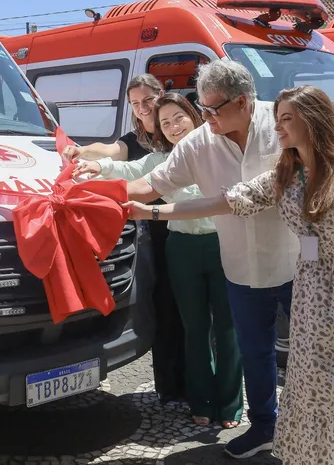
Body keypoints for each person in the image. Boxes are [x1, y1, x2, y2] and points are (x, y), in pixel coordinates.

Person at [126, 85, 334, 464]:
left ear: (313, 120)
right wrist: (150, 212)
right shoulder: (285, 175)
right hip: (314, 292)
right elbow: (224, 202)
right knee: (314, 387)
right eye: (278, 117)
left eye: (287, 118)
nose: (278, 125)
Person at [76, 93, 243, 428]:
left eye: (178, 117)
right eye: (164, 123)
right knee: (194, 329)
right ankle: (201, 402)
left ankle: (230, 406)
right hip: (181, 248)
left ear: (194, 116)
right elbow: (129, 169)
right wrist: (96, 167)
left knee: (227, 329)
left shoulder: (223, 147)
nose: (172, 127)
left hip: (224, 245)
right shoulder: (162, 159)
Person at [67, 73, 186, 402]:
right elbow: (109, 151)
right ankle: (170, 387)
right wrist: (81, 151)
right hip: (151, 232)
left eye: (148, 100)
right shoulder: (135, 141)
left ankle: (195, 384)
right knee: (162, 306)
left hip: (184, 225)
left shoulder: (178, 134)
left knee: (189, 310)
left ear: (162, 95)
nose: (143, 108)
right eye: (136, 103)